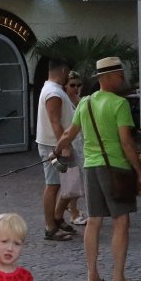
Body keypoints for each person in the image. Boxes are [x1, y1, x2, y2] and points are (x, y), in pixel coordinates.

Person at [58, 57, 141, 281]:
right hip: (115, 168)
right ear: (107, 78)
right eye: (119, 75)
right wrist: (139, 172)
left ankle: (92, 276)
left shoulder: (85, 102)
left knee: (94, 220)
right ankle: (119, 279)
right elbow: (126, 143)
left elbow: (68, 134)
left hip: (91, 167)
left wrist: (57, 151)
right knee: (121, 220)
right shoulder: (120, 104)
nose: (123, 79)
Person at [35, 59, 76, 242]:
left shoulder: (53, 89)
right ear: (64, 70)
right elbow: (55, 122)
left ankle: (57, 219)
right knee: (52, 185)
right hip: (53, 146)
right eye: (69, 72)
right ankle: (50, 227)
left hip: (54, 144)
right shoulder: (53, 92)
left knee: (63, 184)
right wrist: (64, 146)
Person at [57, 73, 87, 227]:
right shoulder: (63, 102)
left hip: (81, 142)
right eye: (72, 85)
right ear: (65, 86)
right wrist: (63, 146)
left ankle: (72, 208)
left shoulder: (80, 101)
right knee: (72, 180)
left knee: (79, 178)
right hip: (69, 143)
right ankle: (72, 212)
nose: (76, 88)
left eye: (78, 85)